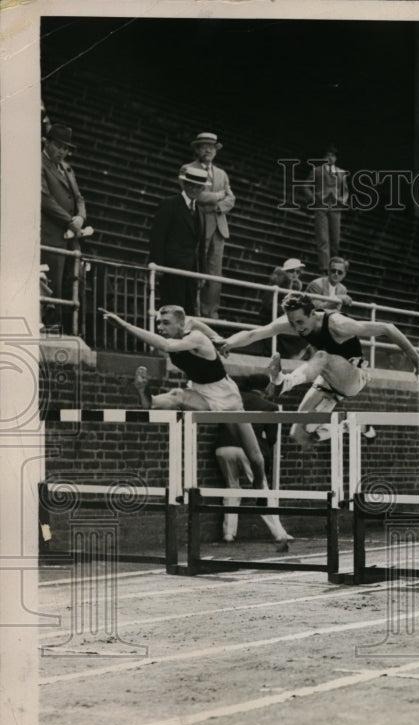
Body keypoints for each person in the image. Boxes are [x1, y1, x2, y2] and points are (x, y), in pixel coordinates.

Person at [222, 293, 419, 448]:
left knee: (322, 356)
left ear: (313, 313)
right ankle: (353, 427)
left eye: (301, 322)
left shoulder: (338, 325)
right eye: (293, 323)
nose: (297, 328)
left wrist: (418, 360)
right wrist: (227, 343)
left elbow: (388, 328)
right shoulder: (295, 321)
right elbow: (254, 334)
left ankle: (284, 382)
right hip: (327, 379)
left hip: (353, 377)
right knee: (299, 433)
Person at [102, 305, 268, 499]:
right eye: (158, 323)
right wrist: (218, 341)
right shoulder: (187, 325)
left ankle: (259, 484)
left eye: (165, 323)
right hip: (199, 392)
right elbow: (196, 322)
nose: (160, 327)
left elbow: (167, 345)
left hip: (226, 396)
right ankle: (145, 391)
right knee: (175, 396)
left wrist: (124, 324)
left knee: (256, 457)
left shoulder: (195, 338)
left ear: (181, 324)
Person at [216, 374, 292, 545]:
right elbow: (272, 438)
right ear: (265, 388)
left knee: (232, 487)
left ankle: (228, 533)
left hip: (223, 446)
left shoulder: (233, 399)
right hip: (247, 449)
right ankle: (279, 533)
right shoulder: (269, 406)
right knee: (261, 488)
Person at [41, 124, 89, 321]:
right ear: (47, 143)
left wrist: (81, 217)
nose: (63, 152)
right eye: (59, 146)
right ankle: (52, 330)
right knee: (53, 288)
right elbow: (44, 199)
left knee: (72, 284)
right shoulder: (38, 163)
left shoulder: (68, 168)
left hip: (71, 238)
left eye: (66, 148)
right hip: (50, 236)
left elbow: (79, 198)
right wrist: (70, 221)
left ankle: (69, 329)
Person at [150, 166, 209, 313]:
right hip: (171, 268)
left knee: (188, 312)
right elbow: (157, 237)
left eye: (199, 187)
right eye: (192, 185)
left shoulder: (201, 212)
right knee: (172, 310)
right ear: (185, 184)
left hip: (191, 271)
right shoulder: (169, 204)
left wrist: (202, 273)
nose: (195, 190)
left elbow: (201, 246)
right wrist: (158, 265)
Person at [189, 132, 236, 319]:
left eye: (212, 147)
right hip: (198, 221)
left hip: (218, 223)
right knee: (197, 267)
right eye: (204, 146)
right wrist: (218, 196)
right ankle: (195, 308)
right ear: (198, 149)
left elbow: (231, 197)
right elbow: (196, 195)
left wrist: (218, 207)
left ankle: (211, 312)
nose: (208, 150)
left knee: (215, 273)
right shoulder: (189, 168)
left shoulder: (222, 174)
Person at [314, 143, 349, 272]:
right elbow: (306, 185)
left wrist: (343, 201)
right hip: (321, 206)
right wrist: (314, 198)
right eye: (327, 155)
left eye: (333, 156)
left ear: (336, 158)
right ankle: (324, 267)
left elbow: (345, 191)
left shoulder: (341, 172)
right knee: (323, 238)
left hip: (335, 207)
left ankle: (334, 266)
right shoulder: (317, 170)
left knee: (335, 240)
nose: (330, 158)